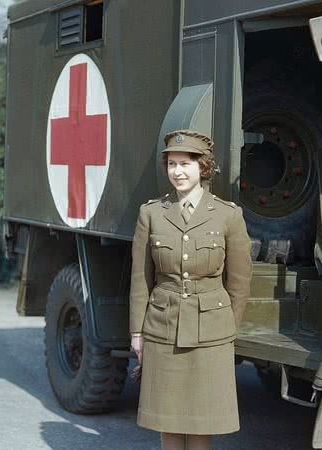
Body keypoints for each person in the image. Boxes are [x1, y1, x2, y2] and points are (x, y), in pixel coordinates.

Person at [129, 129, 253, 450]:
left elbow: (239, 282)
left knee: (201, 425)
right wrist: (137, 333)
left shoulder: (228, 215)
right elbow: (141, 278)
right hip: (163, 329)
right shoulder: (151, 214)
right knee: (168, 423)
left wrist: (227, 328)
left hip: (210, 333)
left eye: (185, 163)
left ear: (203, 167)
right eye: (172, 164)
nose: (178, 172)